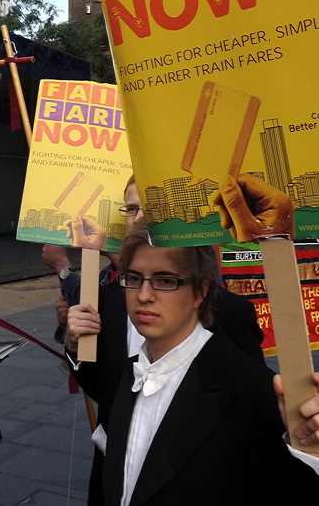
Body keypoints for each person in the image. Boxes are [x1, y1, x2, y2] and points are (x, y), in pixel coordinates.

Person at [50, 176, 264, 505]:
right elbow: (106, 386)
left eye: (166, 281)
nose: (145, 296)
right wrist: (76, 348)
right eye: (132, 209)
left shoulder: (231, 314)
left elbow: (250, 413)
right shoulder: (107, 299)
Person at [99, 231, 319, 505]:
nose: (143, 295)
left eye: (165, 280)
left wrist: (316, 456)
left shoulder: (251, 386)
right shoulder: (130, 370)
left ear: (200, 292)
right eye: (133, 279)